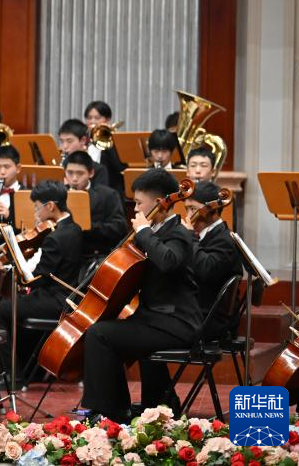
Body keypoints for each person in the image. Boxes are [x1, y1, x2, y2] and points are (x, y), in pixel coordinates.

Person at [81, 168, 201, 422]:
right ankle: (143, 405)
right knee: (104, 331)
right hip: (154, 319)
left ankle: (110, 412)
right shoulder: (156, 233)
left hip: (175, 322)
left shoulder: (178, 233)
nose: (135, 209)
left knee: (99, 335)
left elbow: (169, 261)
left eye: (138, 203)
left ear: (158, 202)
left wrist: (144, 232)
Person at [0, 181, 84, 368]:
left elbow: (36, 279)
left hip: (55, 299)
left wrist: (3, 270)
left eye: (37, 208)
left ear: (50, 206)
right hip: (65, 297)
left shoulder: (55, 237)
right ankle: (15, 368)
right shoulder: (74, 228)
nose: (36, 213)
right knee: (6, 305)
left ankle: (5, 373)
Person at [182, 181, 242, 339]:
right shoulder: (209, 236)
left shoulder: (225, 240)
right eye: (187, 209)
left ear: (213, 210)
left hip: (209, 320)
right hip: (196, 311)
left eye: (193, 209)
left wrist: (189, 237)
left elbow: (205, 269)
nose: (188, 216)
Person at [63, 151, 127, 256]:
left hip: (95, 252)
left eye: (80, 173)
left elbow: (120, 227)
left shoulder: (108, 194)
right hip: (65, 250)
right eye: (70, 173)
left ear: (91, 173)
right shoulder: (60, 193)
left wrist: (90, 227)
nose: (74, 179)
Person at [83, 100, 126, 195]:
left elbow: (120, 168)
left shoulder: (115, 141)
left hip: (110, 190)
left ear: (107, 119)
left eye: (97, 118)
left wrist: (106, 139)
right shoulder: (83, 140)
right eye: (89, 118)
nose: (92, 121)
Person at [57, 119, 110, 188]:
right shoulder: (60, 167)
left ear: (83, 140)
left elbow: (101, 193)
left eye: (69, 141)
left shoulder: (99, 170)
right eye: (62, 141)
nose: (64, 147)